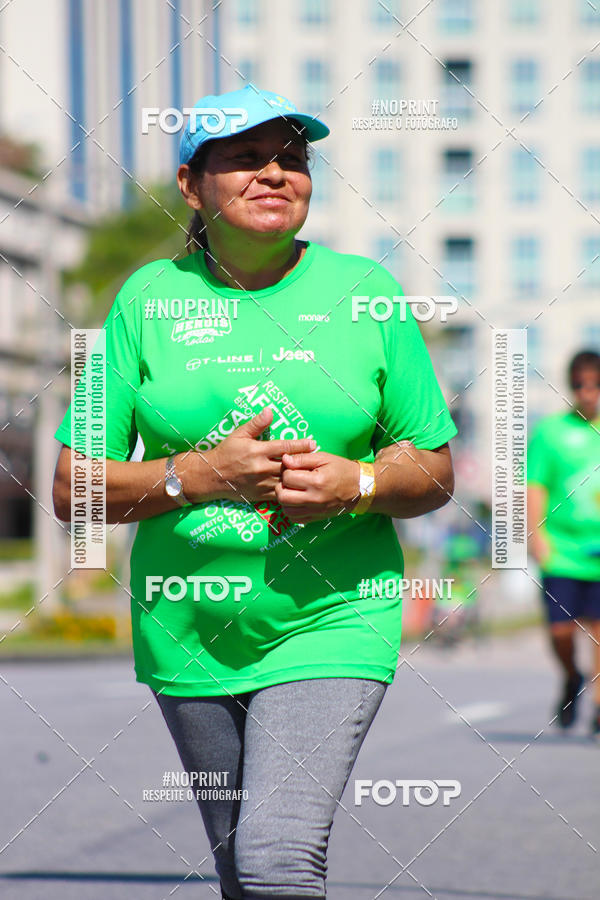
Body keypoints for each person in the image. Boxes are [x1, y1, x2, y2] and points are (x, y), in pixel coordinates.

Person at [52, 86, 458, 899]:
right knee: (243, 868)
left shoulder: (366, 292)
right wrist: (197, 475)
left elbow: (436, 471)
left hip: (333, 613)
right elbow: (73, 488)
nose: (276, 174)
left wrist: (361, 483)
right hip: (188, 621)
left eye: (293, 159)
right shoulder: (143, 299)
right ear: (192, 183)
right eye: (245, 158)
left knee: (277, 856)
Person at [527, 350, 600, 736]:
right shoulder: (551, 432)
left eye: (595, 384)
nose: (587, 393)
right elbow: (535, 485)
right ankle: (572, 676)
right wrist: (535, 534)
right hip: (562, 552)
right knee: (561, 631)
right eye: (579, 385)